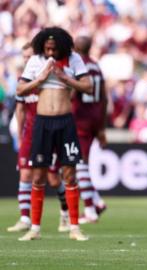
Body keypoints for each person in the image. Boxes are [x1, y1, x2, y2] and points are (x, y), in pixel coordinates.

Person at [16, 27, 93, 241]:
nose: (50, 53)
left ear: (62, 46)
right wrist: (39, 80)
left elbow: (88, 86)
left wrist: (64, 78)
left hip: (65, 122)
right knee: (39, 176)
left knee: (69, 174)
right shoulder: (35, 60)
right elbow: (20, 90)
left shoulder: (73, 59)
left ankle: (74, 228)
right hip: (42, 123)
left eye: (54, 49)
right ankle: (35, 228)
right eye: (47, 48)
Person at [7, 43, 70, 233]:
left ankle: (65, 212)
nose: (26, 60)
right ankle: (25, 218)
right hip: (30, 134)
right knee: (25, 174)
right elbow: (20, 109)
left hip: (50, 131)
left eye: (29, 57)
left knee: (52, 179)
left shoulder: (49, 78)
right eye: (24, 57)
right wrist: (20, 135)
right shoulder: (23, 82)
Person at [72, 35, 108, 224]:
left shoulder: (77, 65)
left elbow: (72, 92)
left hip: (80, 118)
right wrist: (101, 127)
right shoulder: (95, 65)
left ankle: (90, 210)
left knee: (79, 164)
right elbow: (104, 97)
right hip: (95, 116)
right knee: (77, 164)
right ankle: (97, 202)